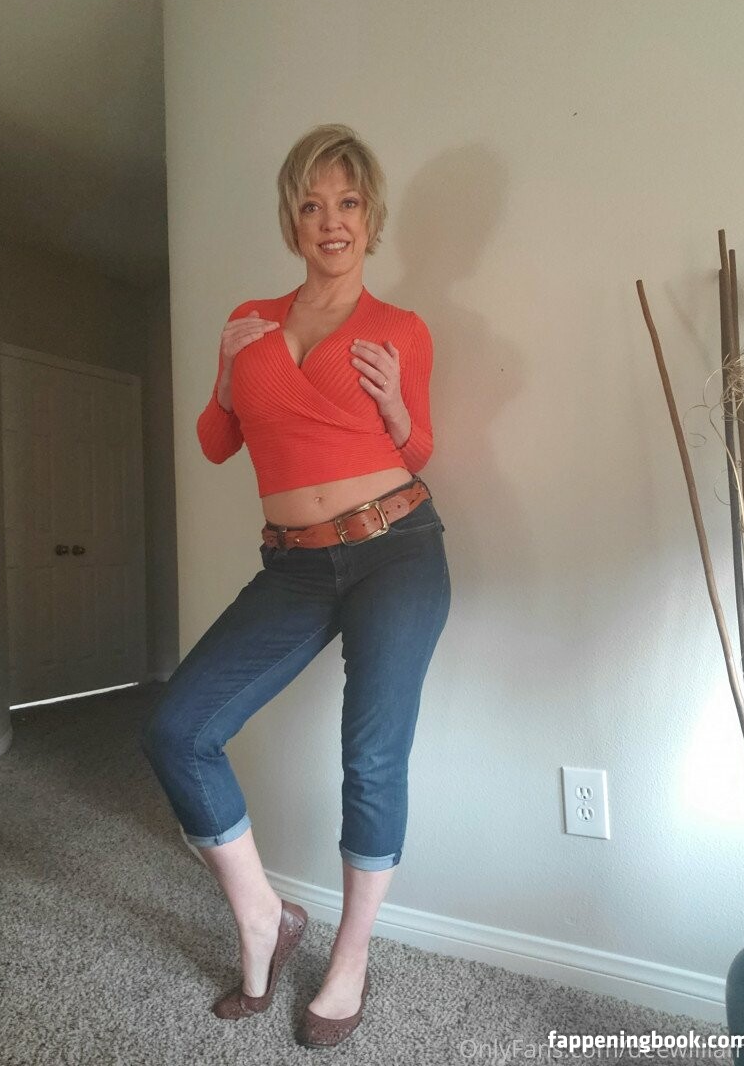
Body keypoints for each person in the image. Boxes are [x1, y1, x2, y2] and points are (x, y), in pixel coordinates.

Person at [140, 122, 451, 1049]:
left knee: (372, 757)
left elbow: (419, 447)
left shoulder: (401, 329)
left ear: (371, 217)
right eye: (311, 205)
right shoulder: (251, 321)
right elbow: (216, 441)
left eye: (347, 202)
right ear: (292, 219)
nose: (331, 221)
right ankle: (263, 918)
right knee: (179, 727)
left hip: (397, 550)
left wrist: (393, 403)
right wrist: (226, 378)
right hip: (296, 566)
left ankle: (350, 956)